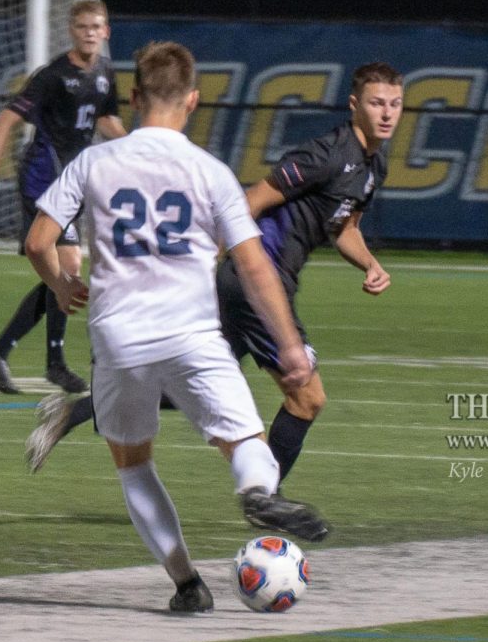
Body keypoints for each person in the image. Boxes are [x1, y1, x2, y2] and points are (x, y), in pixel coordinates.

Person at [24, 41, 328, 613]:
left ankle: (188, 585)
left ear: (134, 97)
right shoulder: (209, 172)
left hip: (118, 337)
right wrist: (289, 346)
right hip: (192, 332)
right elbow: (255, 264)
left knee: (134, 463)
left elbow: (39, 241)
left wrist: (63, 287)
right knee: (243, 442)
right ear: (192, 100)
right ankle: (258, 492)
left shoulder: (93, 162)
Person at [25, 61, 404, 487]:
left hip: (249, 283)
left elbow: (343, 226)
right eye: (376, 103)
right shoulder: (326, 155)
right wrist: (216, 259)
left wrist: (370, 264)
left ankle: (73, 410)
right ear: (355, 105)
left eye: (394, 104)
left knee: (189, 384)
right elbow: (250, 202)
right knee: (307, 398)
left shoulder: (375, 161)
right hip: (257, 283)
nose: (387, 113)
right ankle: (266, 499)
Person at [0, 0, 126, 395]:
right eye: (83, 26)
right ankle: (49, 363)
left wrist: (143, 144)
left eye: (96, 26)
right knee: (67, 266)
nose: (90, 32)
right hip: (42, 175)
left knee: (66, 272)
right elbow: (6, 119)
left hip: (71, 180)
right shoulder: (53, 75)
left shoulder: (106, 73)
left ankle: (3, 353)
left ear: (106, 31)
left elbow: (105, 120)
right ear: (72, 31)